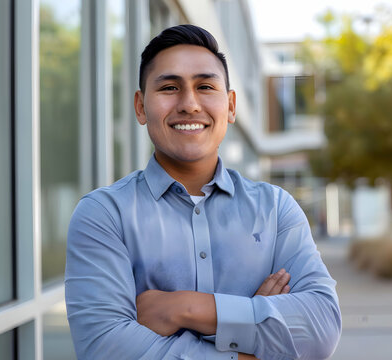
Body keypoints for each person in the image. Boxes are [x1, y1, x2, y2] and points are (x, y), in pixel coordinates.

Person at [65, 24, 341, 360]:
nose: (190, 104)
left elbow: (321, 329)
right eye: (169, 87)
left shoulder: (275, 208)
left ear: (231, 105)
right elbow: (104, 348)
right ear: (140, 107)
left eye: (206, 86)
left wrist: (182, 308)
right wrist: (252, 326)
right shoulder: (104, 214)